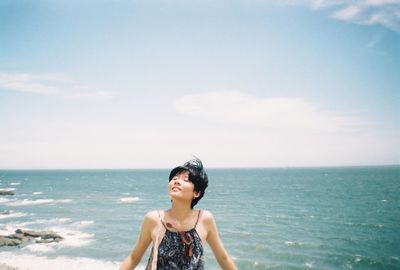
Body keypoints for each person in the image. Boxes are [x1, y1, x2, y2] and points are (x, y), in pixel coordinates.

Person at [120, 158, 237, 270]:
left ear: (196, 193)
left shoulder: (204, 219)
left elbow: (223, 258)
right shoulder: (154, 218)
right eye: (174, 178)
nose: (176, 181)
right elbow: (134, 257)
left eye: (185, 180)